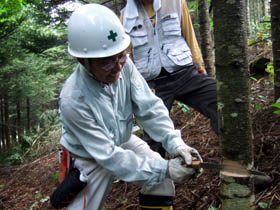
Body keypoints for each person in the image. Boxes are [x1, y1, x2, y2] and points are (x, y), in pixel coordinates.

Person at [58, 3, 203, 210]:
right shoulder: (73, 100)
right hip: (88, 156)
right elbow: (108, 155)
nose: (118, 67)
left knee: (159, 182)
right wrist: (165, 168)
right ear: (83, 61)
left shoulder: (124, 67)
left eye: (121, 56)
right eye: (106, 62)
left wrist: (176, 144)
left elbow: (150, 109)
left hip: (122, 140)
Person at [121, 0, 218, 158]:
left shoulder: (175, 2)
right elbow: (128, 58)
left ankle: (236, 163)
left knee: (221, 103)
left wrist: (200, 65)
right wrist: (138, 88)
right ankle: (159, 178)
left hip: (186, 73)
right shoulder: (125, 17)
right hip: (153, 84)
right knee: (153, 139)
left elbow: (189, 35)